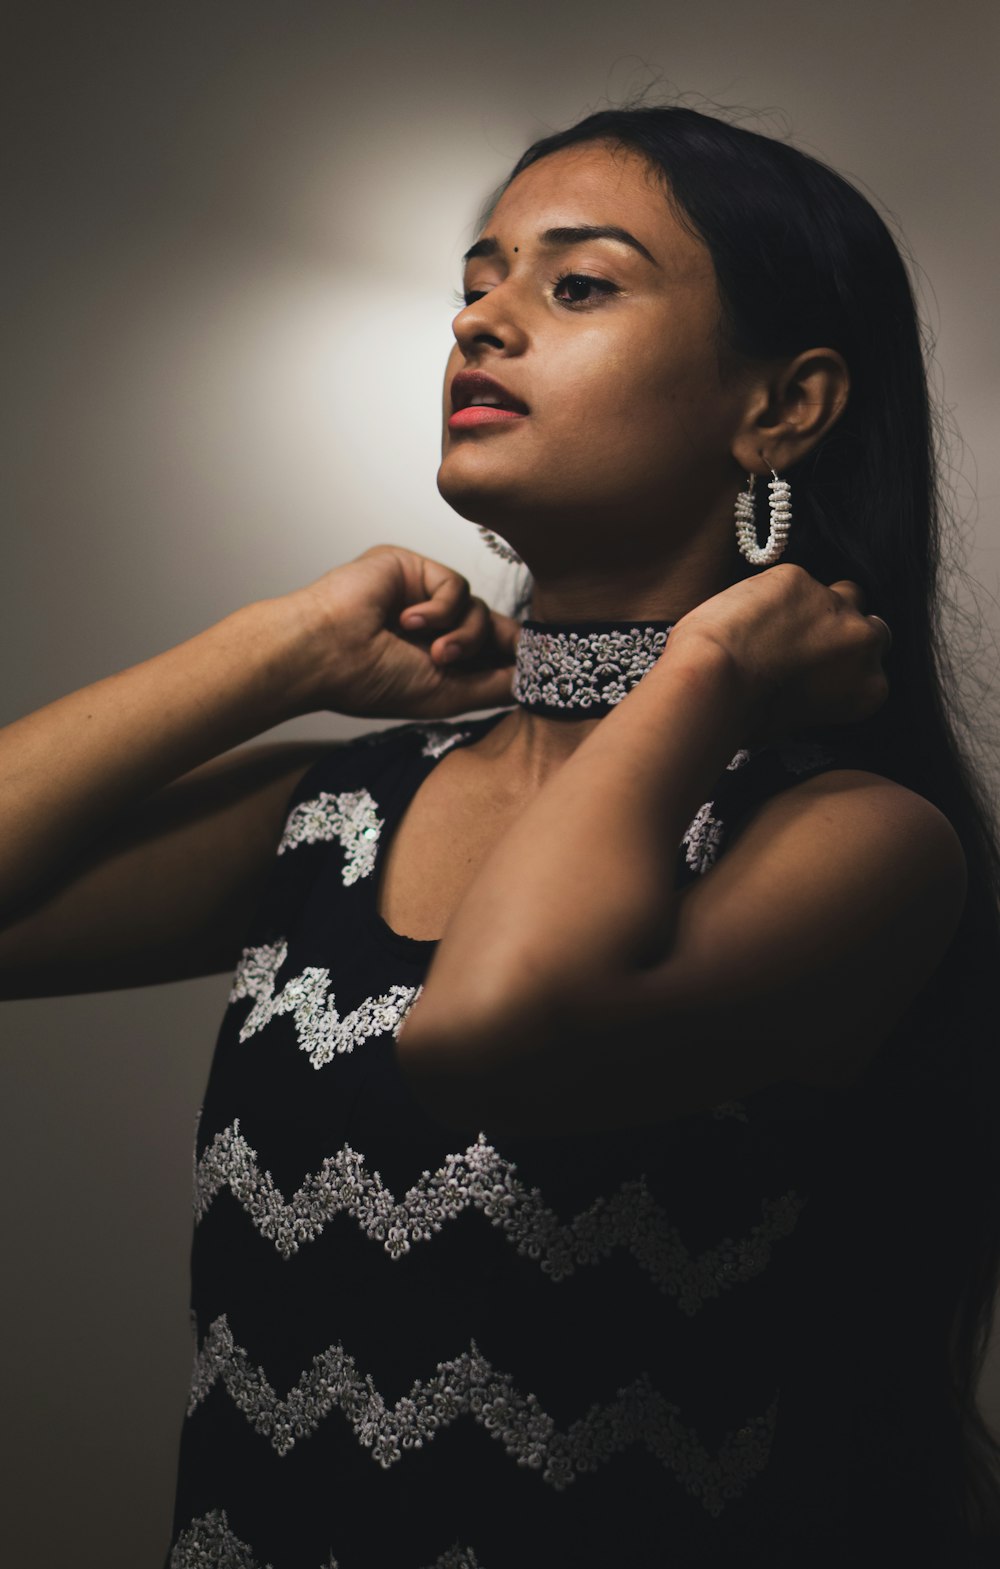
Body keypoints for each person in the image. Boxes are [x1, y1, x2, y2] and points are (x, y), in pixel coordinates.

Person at [1, 103, 998, 1569]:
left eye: (575, 284)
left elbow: (493, 1028)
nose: (482, 323)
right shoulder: (339, 807)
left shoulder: (856, 840)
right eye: (476, 285)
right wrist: (281, 648)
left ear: (784, 407)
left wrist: (708, 672)